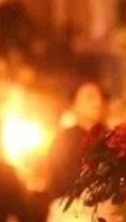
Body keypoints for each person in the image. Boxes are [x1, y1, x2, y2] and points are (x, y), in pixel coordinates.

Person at [45, 80, 110, 221]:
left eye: (101, 97)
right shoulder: (64, 140)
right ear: (74, 103)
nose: (98, 102)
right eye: (90, 97)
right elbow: (65, 181)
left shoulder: (111, 138)